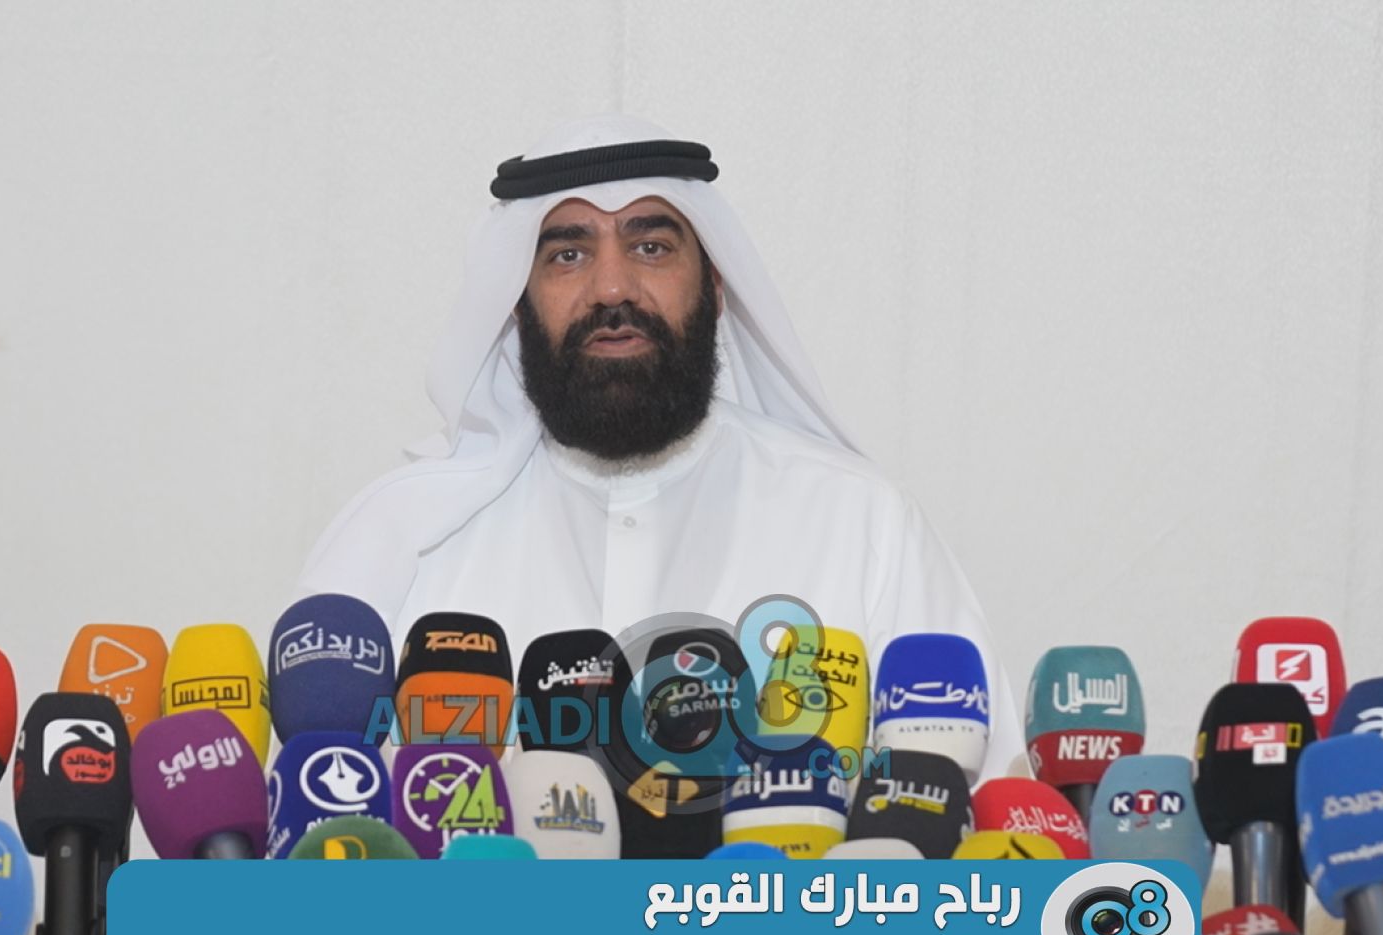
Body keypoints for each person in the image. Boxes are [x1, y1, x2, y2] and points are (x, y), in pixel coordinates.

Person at [299, 114, 1024, 778]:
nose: (613, 288)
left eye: (651, 247)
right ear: (516, 302)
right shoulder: (400, 545)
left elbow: (988, 820)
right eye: (568, 254)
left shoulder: (863, 526)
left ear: (715, 285)